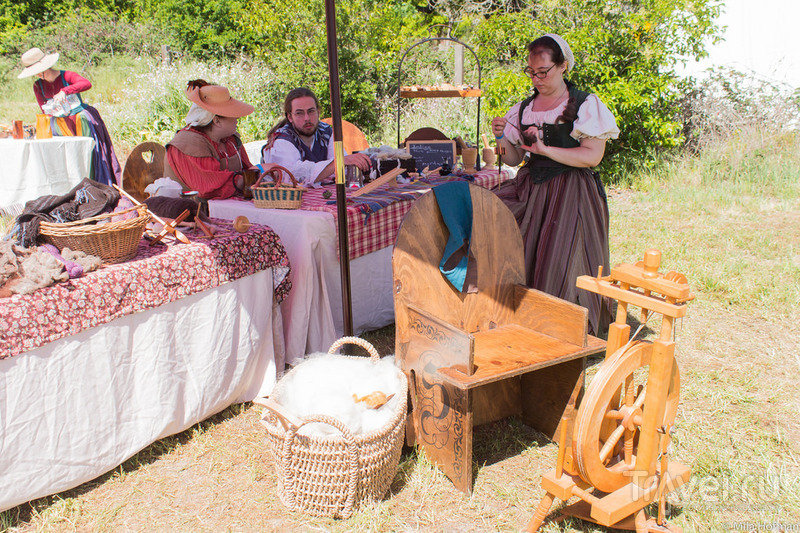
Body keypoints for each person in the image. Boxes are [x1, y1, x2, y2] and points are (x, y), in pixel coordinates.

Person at [491, 33, 620, 336]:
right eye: (531, 72)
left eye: (543, 72)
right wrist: (500, 137)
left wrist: (546, 149)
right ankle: (521, 319)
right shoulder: (523, 109)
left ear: (563, 67)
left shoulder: (585, 105)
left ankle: (565, 330)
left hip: (571, 191)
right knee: (506, 234)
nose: (536, 79)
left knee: (562, 257)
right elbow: (512, 159)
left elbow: (592, 156)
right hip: (531, 187)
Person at [18, 47, 122, 187]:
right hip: (60, 124)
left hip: (79, 119)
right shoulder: (38, 85)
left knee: (89, 153)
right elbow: (43, 108)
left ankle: (96, 184)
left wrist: (65, 91)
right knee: (68, 158)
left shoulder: (66, 76)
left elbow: (86, 83)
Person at [165, 79, 275, 200]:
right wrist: (258, 171)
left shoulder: (230, 139)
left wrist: (260, 173)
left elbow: (246, 170)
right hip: (192, 214)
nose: (238, 117)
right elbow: (210, 188)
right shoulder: (188, 144)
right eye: (232, 114)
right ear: (216, 120)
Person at [260, 87, 371, 186]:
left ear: (318, 112)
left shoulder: (327, 132)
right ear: (290, 117)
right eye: (299, 113)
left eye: (311, 111)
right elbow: (293, 175)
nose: (307, 118)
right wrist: (337, 164)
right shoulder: (282, 140)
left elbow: (343, 167)